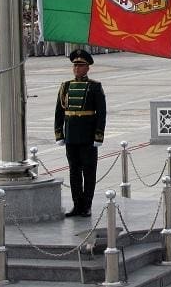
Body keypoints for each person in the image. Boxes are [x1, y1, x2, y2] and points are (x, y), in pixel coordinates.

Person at [55, 49, 107, 217]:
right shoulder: (65, 86)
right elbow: (59, 112)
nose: (77, 69)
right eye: (75, 66)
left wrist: (98, 135)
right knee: (74, 171)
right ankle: (77, 205)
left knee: (89, 171)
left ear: (87, 68)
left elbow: (101, 113)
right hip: (71, 136)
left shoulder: (95, 86)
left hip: (88, 136)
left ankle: (87, 205)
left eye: (80, 66)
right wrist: (59, 134)